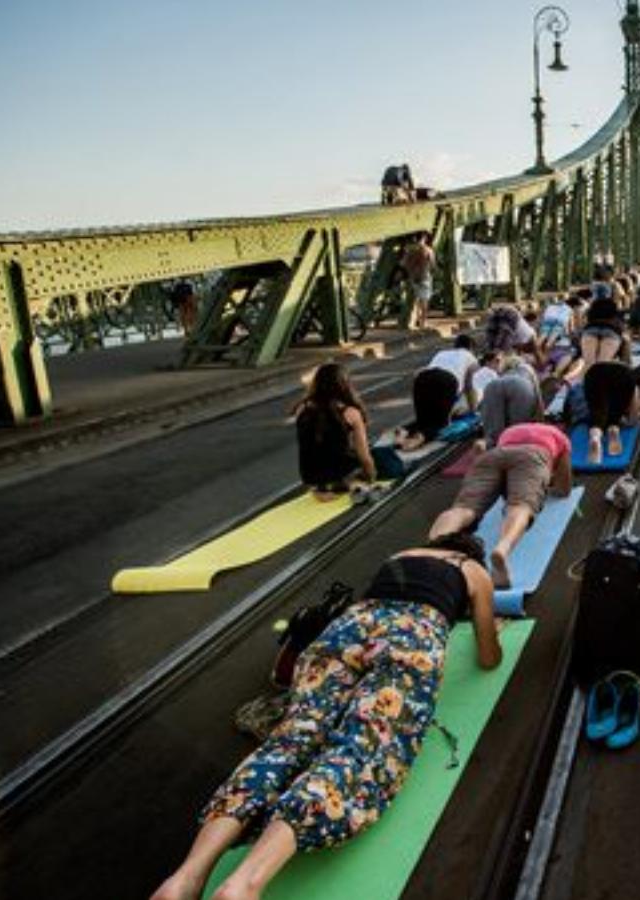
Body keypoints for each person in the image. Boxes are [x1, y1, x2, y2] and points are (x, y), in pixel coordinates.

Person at [150, 531, 501, 900]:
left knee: (290, 741)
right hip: (410, 638)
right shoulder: (472, 568)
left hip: (348, 629)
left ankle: (186, 877)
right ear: (467, 552)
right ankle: (245, 884)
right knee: (358, 748)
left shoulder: (401, 553)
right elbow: (488, 657)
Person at [429, 421, 573, 587]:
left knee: (464, 508)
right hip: (533, 456)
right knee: (521, 506)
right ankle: (502, 549)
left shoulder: (509, 431)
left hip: (493, 455)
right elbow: (564, 488)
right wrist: (548, 481)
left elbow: (505, 474)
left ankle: (429, 551)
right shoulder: (558, 436)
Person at [293, 363, 377, 499]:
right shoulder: (350, 412)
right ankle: (350, 485)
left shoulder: (302, 409)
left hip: (311, 478)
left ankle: (322, 489)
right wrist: (371, 476)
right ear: (345, 385)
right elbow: (364, 456)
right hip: (342, 475)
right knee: (378, 456)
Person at [582, 359, 640, 460]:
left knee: (597, 414)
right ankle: (613, 430)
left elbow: (591, 403)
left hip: (594, 372)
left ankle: (595, 436)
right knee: (614, 416)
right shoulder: (633, 378)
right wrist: (632, 419)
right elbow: (633, 419)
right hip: (623, 375)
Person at [479, 355, 544, 446]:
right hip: (521, 386)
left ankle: (492, 452)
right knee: (516, 432)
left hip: (493, 385)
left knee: (493, 437)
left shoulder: (501, 376)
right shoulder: (528, 369)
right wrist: (541, 422)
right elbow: (539, 399)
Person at [581, 290, 627, 365]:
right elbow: (622, 329)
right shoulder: (616, 316)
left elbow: (582, 326)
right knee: (603, 363)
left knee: (589, 363)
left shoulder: (590, 315)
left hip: (590, 330)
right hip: (611, 331)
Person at [401, 234, 436, 329]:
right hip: (425, 277)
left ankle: (412, 322)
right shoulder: (428, 250)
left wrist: (411, 270)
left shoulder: (409, 250)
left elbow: (403, 263)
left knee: (416, 300)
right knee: (424, 301)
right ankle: (422, 323)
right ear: (424, 238)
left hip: (413, 278)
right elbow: (433, 265)